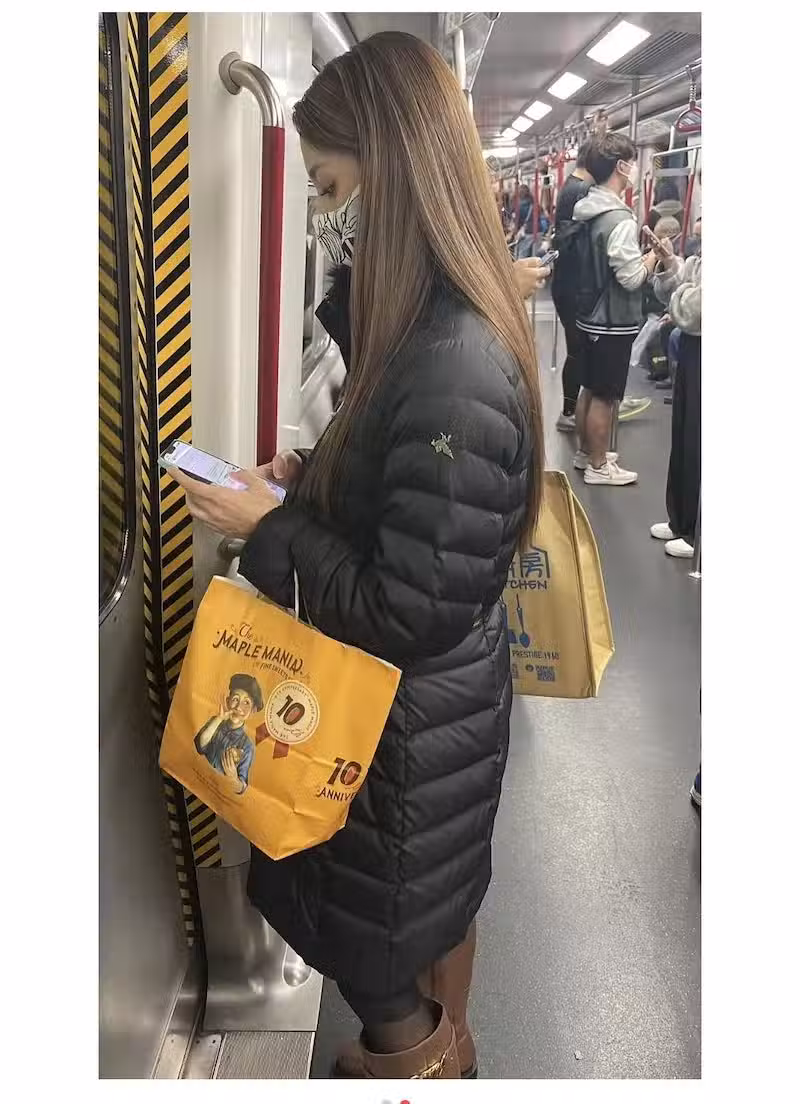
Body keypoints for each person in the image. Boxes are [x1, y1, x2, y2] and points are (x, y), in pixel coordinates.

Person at [168, 32, 543, 1080]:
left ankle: (416, 1068)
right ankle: (443, 1045)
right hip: (428, 719)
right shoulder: (426, 333)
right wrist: (314, 476)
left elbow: (405, 606)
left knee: (382, 970)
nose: (327, 216)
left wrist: (266, 528)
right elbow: (409, 502)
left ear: (391, 172)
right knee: (420, 924)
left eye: (332, 188)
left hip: (406, 726)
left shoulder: (450, 361)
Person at [572, 134, 659, 485]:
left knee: (589, 388)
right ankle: (598, 466)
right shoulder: (619, 219)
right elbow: (631, 278)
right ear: (621, 166)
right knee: (606, 396)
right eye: (633, 162)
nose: (635, 169)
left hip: (588, 314)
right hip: (611, 321)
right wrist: (652, 259)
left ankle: (585, 452)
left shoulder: (586, 210)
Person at [649, 232, 701, 557]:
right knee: (683, 433)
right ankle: (681, 519)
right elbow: (689, 287)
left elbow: (696, 308)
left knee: (698, 438)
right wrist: (670, 264)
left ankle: (697, 532)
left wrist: (682, 292)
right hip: (694, 343)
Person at [551, 141, 593, 431]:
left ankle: (576, 406)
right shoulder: (580, 191)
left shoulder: (571, 186)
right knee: (577, 350)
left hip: (567, 283)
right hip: (573, 286)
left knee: (578, 349)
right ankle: (569, 411)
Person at [194, 674, 262, 794]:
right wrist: (219, 719)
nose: (239, 707)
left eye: (246, 702)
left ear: (252, 711)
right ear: (227, 701)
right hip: (197, 778)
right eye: (235, 699)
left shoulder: (247, 746)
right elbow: (200, 745)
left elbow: (241, 788)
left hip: (217, 792)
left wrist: (233, 777)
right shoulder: (216, 722)